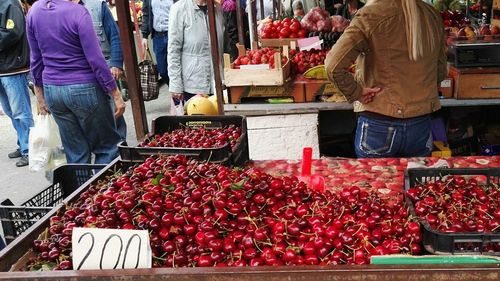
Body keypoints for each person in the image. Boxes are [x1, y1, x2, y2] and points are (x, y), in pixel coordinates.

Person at [325, 0, 446, 158]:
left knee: (376, 182)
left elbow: (333, 66)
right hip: (420, 123)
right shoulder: (432, 15)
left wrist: (357, 92)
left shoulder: (371, 15)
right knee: (415, 181)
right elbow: (440, 71)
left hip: (379, 121)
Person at [27, 0, 126, 164]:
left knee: (76, 154)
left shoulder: (35, 11)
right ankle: (103, 190)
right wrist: (115, 93)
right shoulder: (78, 12)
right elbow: (96, 59)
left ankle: (81, 189)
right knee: (107, 149)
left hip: (54, 91)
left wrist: (40, 95)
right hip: (85, 88)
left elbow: (36, 59)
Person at [80, 0, 127, 142]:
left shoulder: (97, 6)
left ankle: (121, 150)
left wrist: (116, 64)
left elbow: (114, 35)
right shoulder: (55, 9)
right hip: (79, 73)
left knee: (114, 115)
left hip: (104, 67)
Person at [167, 0, 225, 107]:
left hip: (217, 82)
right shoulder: (179, 9)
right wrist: (175, 84)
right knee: (198, 122)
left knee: (219, 121)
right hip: (193, 83)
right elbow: (173, 50)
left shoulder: (217, 9)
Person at [0, 0, 34, 167]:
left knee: (20, 110)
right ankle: (23, 144)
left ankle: (30, 149)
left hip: (13, 66)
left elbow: (13, 32)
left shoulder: (10, 4)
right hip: (3, 67)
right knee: (10, 110)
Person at [141, 0, 176, 86]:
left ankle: (180, 95)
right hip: (158, 37)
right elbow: (146, 15)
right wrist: (144, 36)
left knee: (177, 67)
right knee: (163, 70)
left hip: (174, 35)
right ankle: (175, 93)